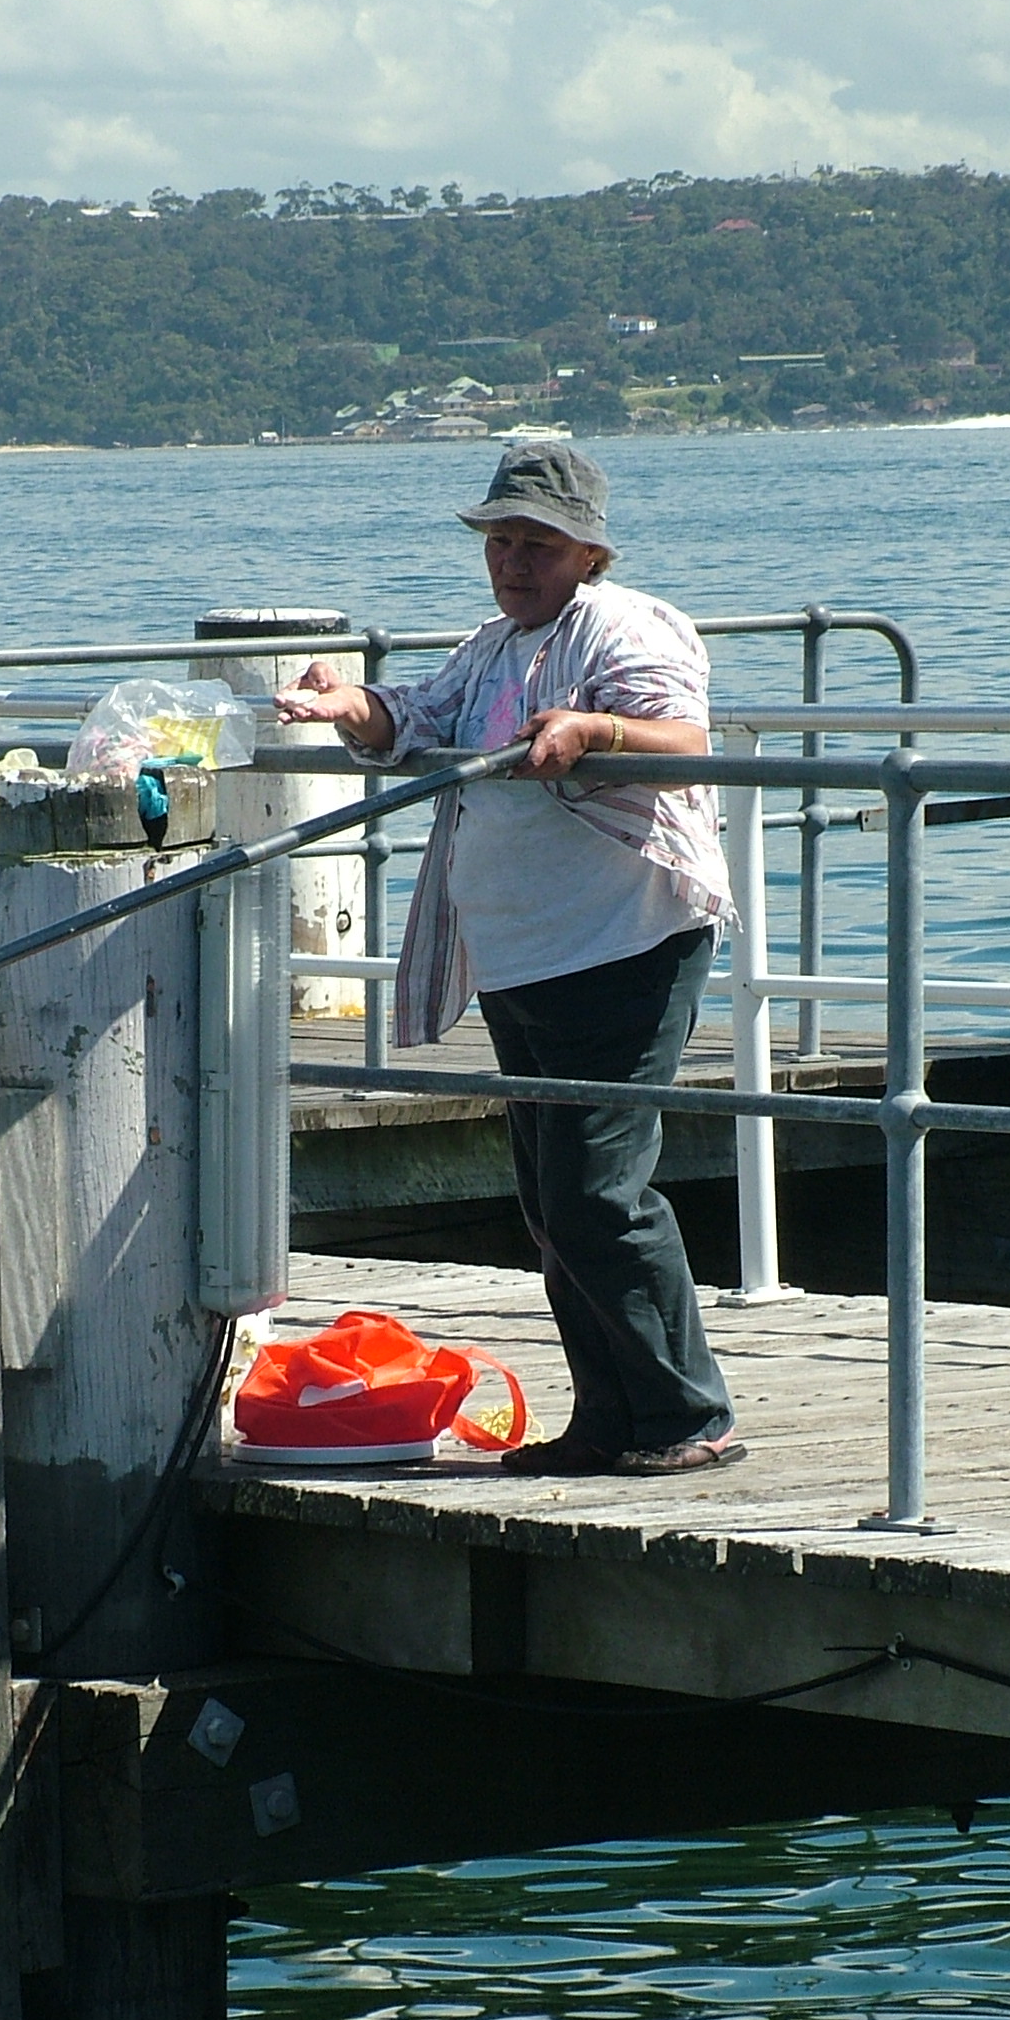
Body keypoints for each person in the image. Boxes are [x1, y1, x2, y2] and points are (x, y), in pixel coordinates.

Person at [274, 442, 737, 1476]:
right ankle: (608, 1421)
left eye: (536, 543)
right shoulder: (490, 646)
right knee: (548, 1200)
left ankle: (686, 1416)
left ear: (586, 553)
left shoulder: (628, 626)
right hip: (522, 958)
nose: (512, 561)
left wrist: (591, 726)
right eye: (499, 540)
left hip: (624, 943)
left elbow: (685, 736)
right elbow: (419, 720)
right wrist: (353, 704)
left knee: (599, 1193)